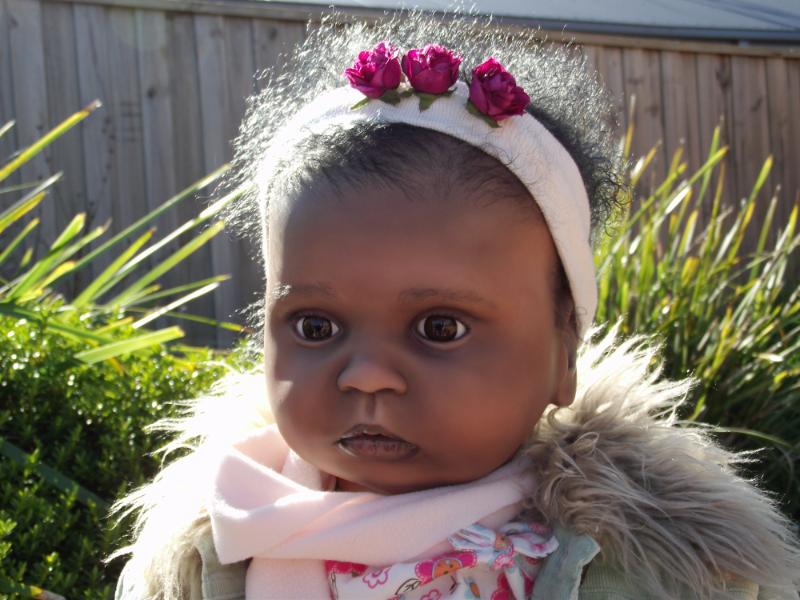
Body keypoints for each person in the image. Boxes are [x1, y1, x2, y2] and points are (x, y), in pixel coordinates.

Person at [109, 10, 800, 600]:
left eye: (440, 327)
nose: (366, 375)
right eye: (315, 325)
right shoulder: (217, 542)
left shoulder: (668, 568)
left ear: (563, 351)